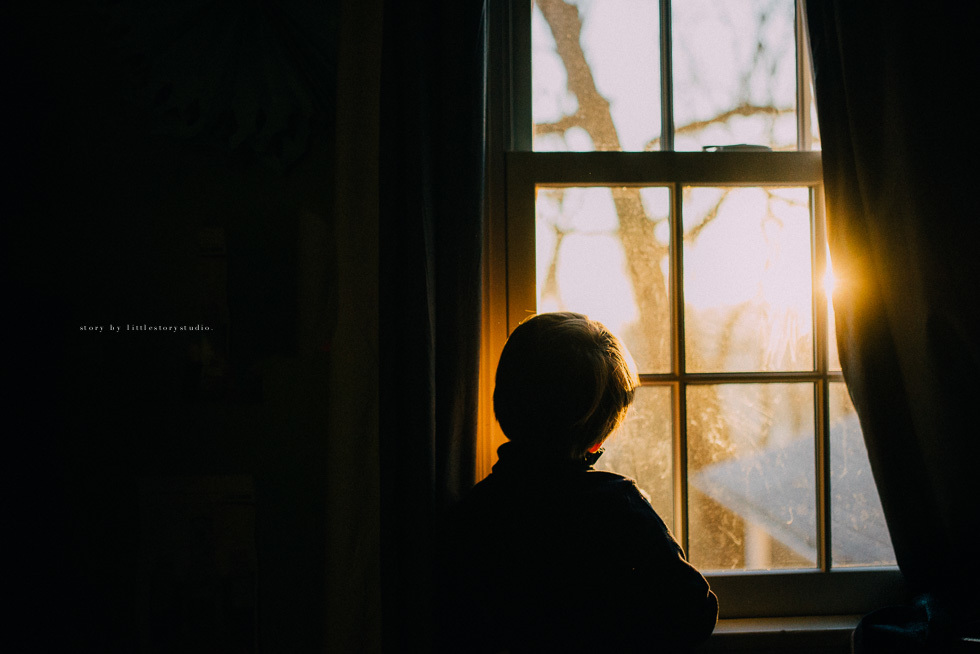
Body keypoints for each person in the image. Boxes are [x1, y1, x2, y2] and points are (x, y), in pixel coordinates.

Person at [435, 312, 718, 653]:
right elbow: (694, 610)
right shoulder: (618, 506)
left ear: (502, 404)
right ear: (598, 437)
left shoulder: (473, 514)